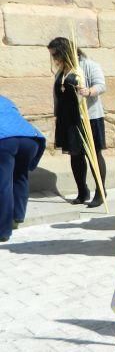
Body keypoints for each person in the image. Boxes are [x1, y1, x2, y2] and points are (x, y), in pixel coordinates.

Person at [48, 37, 107, 208]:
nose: (54, 59)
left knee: (93, 155)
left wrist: (89, 91)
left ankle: (100, 192)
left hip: (88, 117)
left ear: (64, 52)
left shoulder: (88, 65)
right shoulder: (62, 69)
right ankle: (82, 191)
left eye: (55, 54)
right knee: (75, 155)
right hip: (69, 119)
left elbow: (101, 85)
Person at [0, 96, 46, 242]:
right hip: (30, 139)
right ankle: (18, 216)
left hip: (5, 140)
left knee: (4, 184)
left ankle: (3, 231)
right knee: (20, 176)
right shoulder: (5, 100)